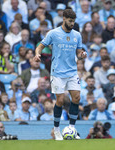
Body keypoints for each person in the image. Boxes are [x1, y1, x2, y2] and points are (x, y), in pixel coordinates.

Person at [34, 9, 87, 140]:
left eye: (73, 21)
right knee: (60, 100)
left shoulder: (77, 35)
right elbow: (41, 45)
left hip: (72, 72)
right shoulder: (53, 33)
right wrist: (37, 54)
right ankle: (57, 130)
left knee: (76, 98)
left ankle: (71, 128)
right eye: (70, 21)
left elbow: (79, 53)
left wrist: (82, 55)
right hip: (57, 72)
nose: (72, 23)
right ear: (63, 19)